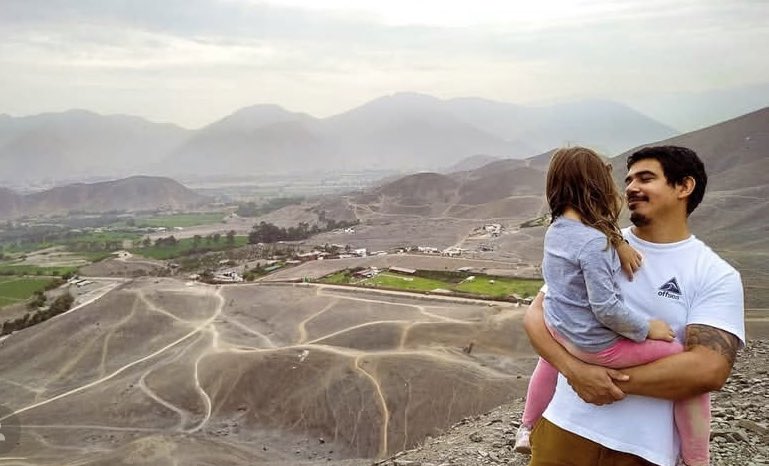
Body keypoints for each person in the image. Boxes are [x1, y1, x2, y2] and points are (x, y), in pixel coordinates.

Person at [522, 145, 744, 466]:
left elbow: (708, 370)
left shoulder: (714, 274)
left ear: (684, 186)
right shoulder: (596, 242)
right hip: (562, 429)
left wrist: (597, 380)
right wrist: (575, 371)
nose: (631, 188)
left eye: (646, 178)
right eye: (628, 179)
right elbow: (537, 315)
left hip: (641, 451)